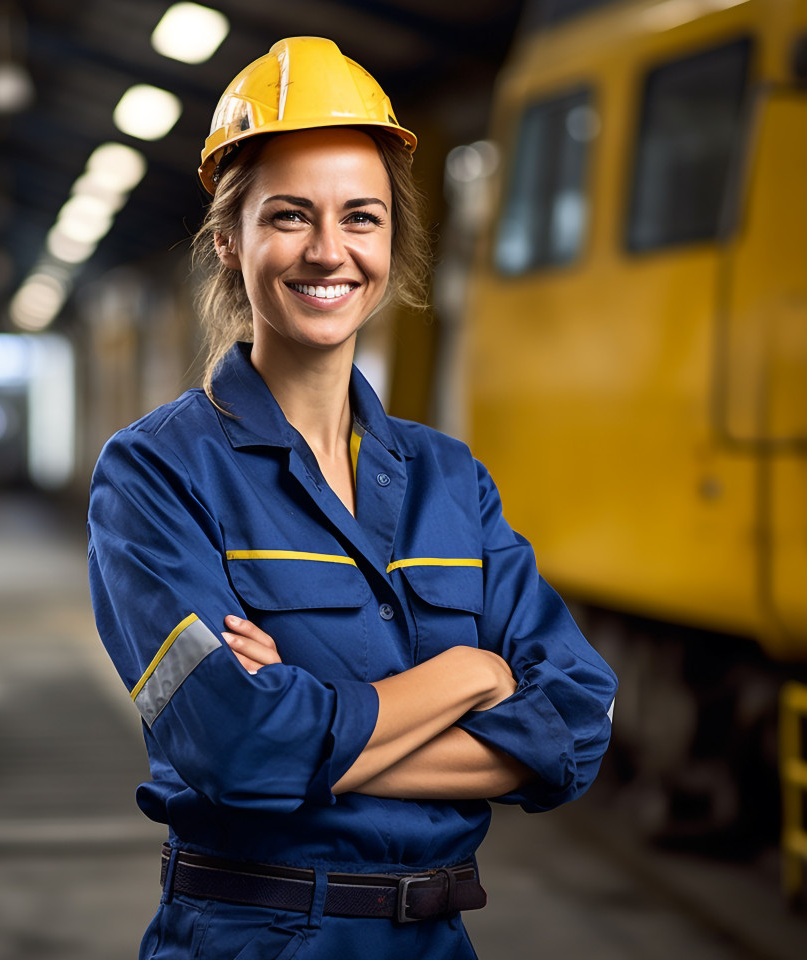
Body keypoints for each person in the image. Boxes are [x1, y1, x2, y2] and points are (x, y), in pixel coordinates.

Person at [88, 36, 617, 960]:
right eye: (289, 216)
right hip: (251, 938)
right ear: (229, 242)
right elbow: (234, 749)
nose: (329, 251)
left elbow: (577, 725)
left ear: (392, 242)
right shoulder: (155, 476)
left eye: (361, 218)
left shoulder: (452, 481)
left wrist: (310, 731)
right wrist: (470, 678)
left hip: (438, 939)